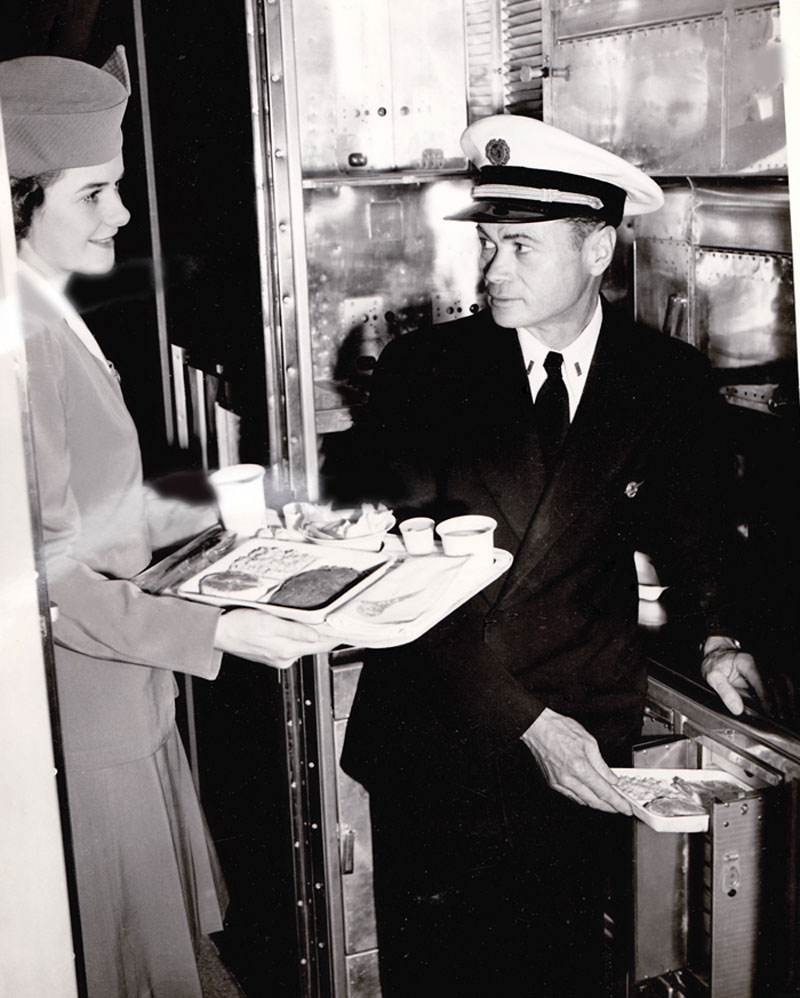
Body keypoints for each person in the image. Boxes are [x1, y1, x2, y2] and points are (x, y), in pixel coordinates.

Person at [337, 114, 765, 997]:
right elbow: (405, 576)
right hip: (444, 724)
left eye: (521, 248)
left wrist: (723, 633)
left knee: (558, 967)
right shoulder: (424, 370)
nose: (492, 272)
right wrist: (530, 726)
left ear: (599, 249)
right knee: (443, 973)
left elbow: (698, 528)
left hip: (582, 722)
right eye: (489, 245)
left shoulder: (664, 379)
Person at [0, 48, 336, 997]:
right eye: (95, 194)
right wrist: (217, 626)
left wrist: (218, 515)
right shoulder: (19, 344)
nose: (123, 214)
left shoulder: (45, 312)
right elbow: (45, 581)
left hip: (124, 697)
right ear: (16, 200)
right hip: (91, 721)